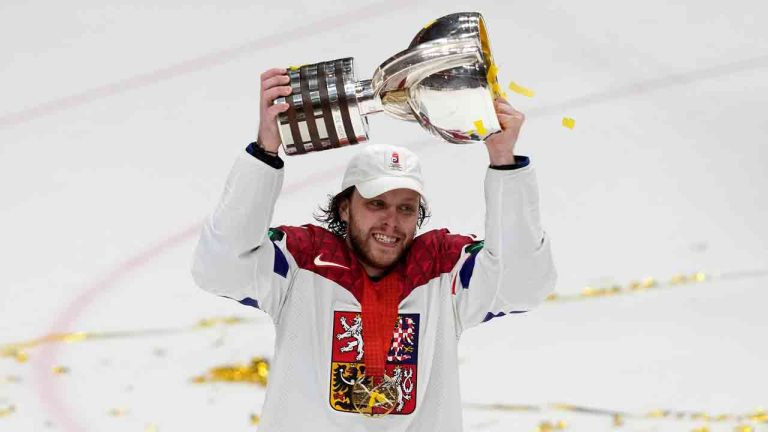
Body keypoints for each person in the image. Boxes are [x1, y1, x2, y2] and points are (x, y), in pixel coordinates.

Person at [192, 67, 557, 431]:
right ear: (344, 208)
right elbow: (220, 267)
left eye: (406, 208)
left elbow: (522, 283)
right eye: (376, 204)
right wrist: (265, 150)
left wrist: (503, 160)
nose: (391, 223)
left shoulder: (442, 271)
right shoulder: (301, 263)